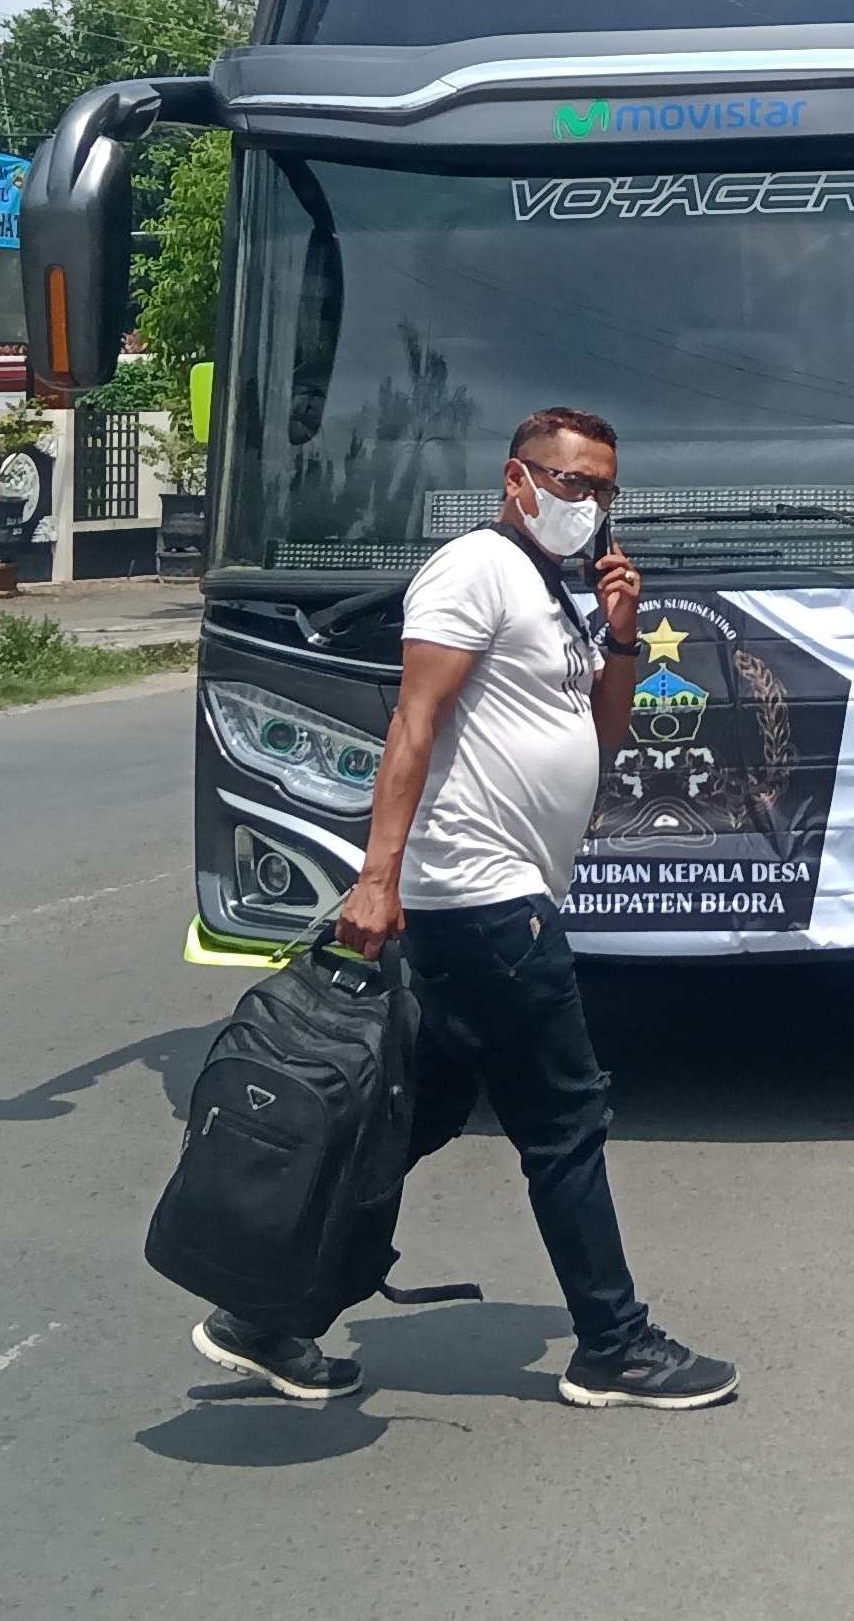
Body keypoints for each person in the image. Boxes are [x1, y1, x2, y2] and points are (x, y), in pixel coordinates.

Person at [192, 408, 738, 1410]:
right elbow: (414, 719)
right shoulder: (472, 569)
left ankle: (264, 1308)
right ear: (517, 478)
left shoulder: (554, 590)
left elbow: (601, 736)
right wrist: (375, 876)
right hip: (480, 893)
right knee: (565, 1117)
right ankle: (613, 1342)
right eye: (570, 482)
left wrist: (620, 636)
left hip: (495, 893)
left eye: (604, 488)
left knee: (408, 1114)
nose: (588, 504)